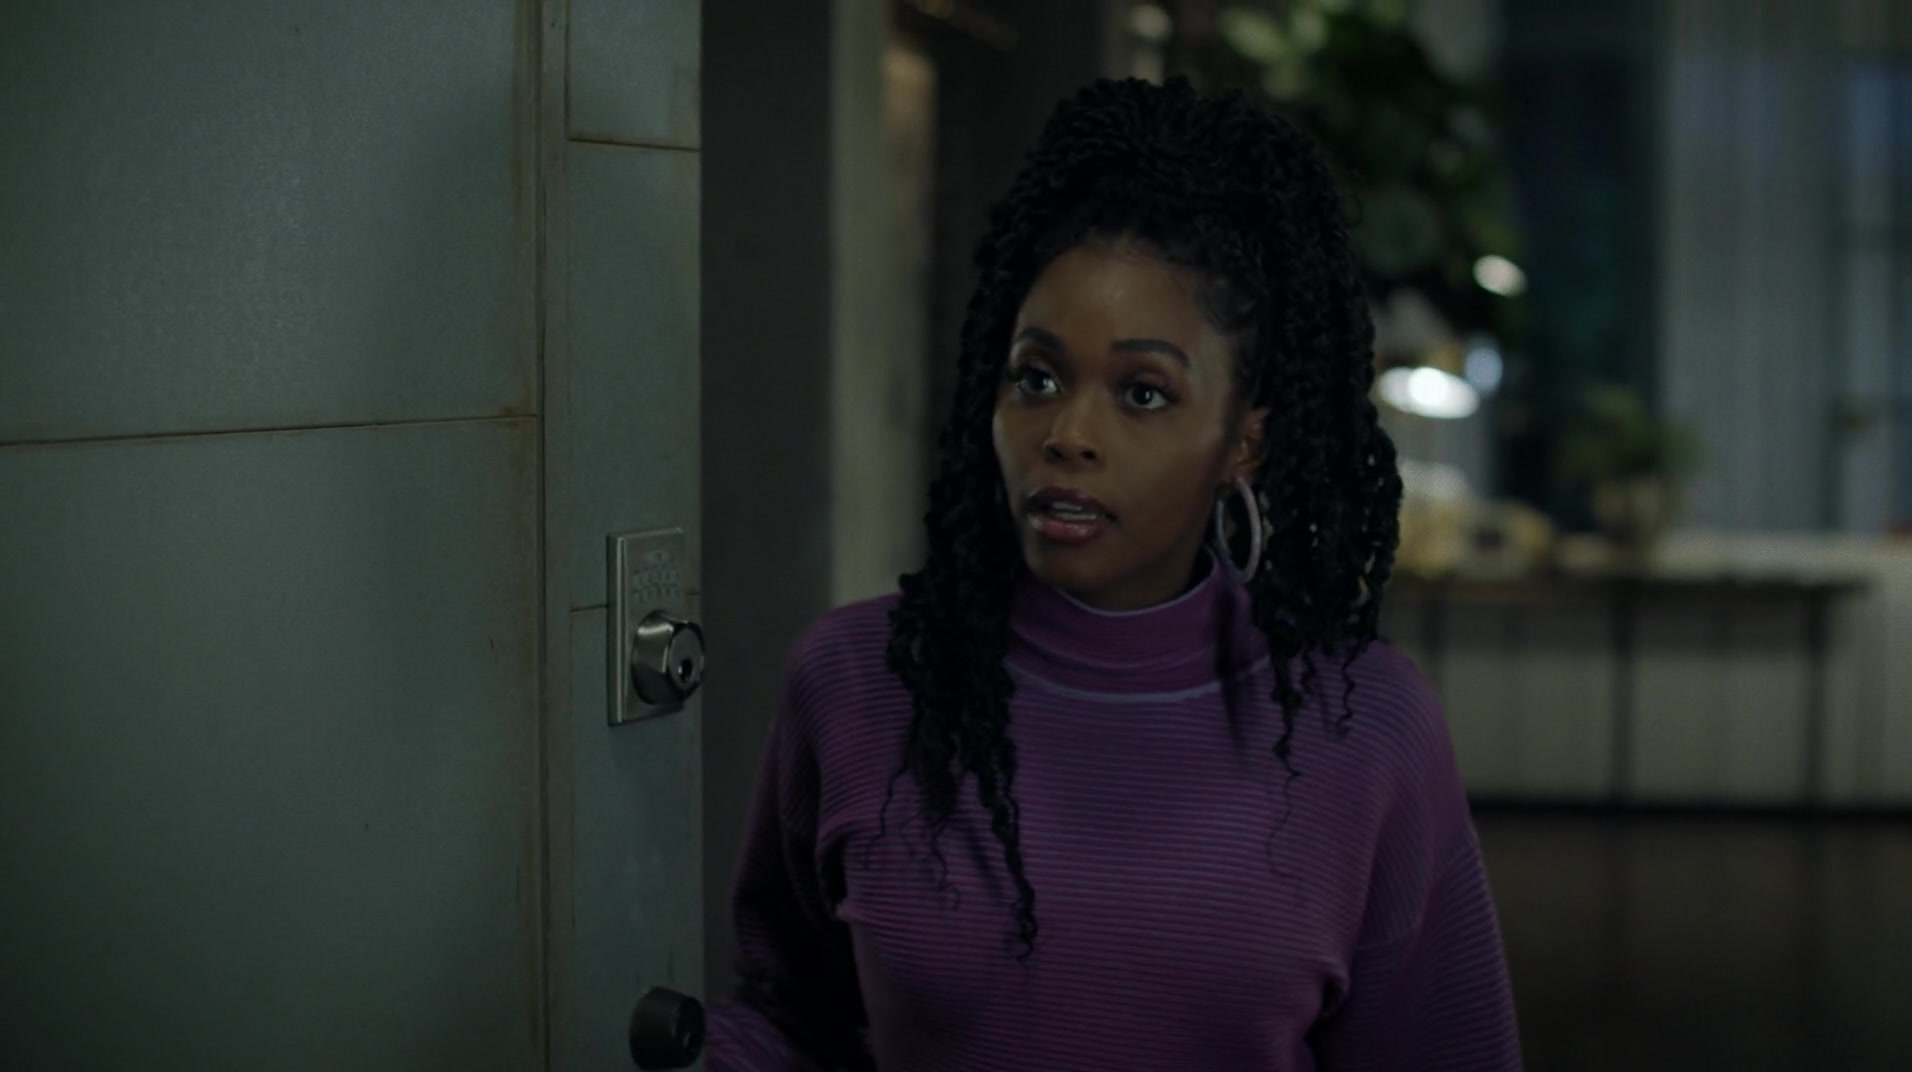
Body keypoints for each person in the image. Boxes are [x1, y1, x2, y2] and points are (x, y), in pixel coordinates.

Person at [705, 76, 1521, 1070]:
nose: (1067, 435)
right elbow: (788, 1016)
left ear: (1244, 440)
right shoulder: (856, 681)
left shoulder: (1364, 728)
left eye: (1142, 392)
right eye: (1036, 377)